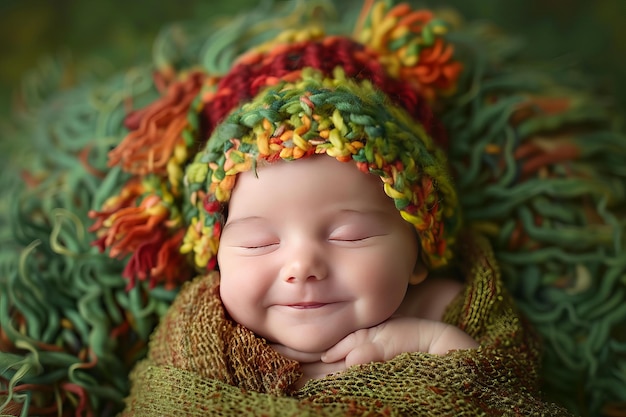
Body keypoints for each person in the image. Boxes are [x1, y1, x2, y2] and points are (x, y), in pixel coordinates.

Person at [217, 154, 479, 388]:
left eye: (350, 237)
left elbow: (499, 390)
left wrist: (430, 341)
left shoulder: (444, 309)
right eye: (258, 243)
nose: (302, 266)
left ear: (418, 257)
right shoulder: (208, 338)